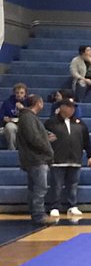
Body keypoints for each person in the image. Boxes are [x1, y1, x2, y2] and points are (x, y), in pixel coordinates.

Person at [45, 97, 91, 220]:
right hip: (57, 160)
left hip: (75, 159)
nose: (72, 109)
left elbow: (86, 141)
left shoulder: (80, 123)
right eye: (69, 106)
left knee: (73, 185)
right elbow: (44, 140)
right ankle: (54, 206)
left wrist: (90, 155)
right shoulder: (50, 123)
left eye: (73, 107)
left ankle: (72, 205)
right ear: (62, 107)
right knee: (56, 185)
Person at [15, 93, 53, 226]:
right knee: (40, 188)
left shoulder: (28, 117)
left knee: (34, 188)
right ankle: (38, 215)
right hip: (36, 159)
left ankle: (35, 214)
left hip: (33, 158)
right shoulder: (28, 118)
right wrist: (48, 149)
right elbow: (34, 139)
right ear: (39, 103)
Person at [2, 81, 27, 150]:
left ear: (25, 94)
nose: (19, 95)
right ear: (14, 93)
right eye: (17, 93)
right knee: (10, 127)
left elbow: (32, 116)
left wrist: (23, 109)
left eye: (21, 93)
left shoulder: (28, 102)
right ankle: (12, 150)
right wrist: (4, 118)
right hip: (11, 123)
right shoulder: (7, 102)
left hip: (24, 124)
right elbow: (1, 115)